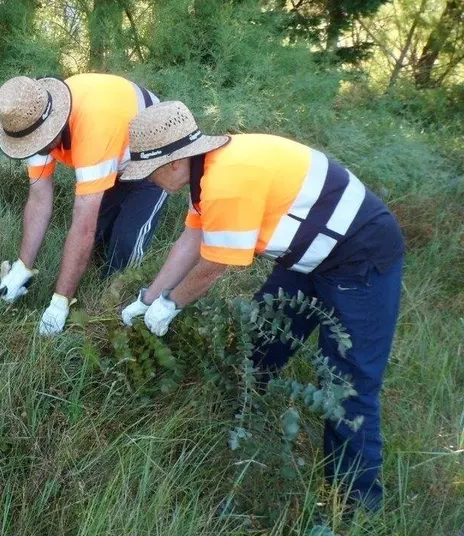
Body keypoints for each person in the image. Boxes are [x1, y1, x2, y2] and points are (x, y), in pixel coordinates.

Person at [119, 100, 404, 511]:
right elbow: (191, 241)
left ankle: (356, 506)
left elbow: (214, 265)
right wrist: (147, 298)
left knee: (347, 386)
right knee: (262, 338)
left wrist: (171, 305)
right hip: (308, 257)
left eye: (150, 170)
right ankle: (241, 415)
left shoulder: (227, 180)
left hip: (361, 256)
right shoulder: (206, 173)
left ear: (176, 160)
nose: (147, 180)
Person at [0, 74, 167, 335]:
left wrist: (59, 303)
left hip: (154, 157)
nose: (36, 149)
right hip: (114, 151)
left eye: (39, 143)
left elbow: (82, 227)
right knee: (96, 240)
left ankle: (114, 315)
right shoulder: (29, 123)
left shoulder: (92, 129)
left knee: (124, 247)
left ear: (55, 125)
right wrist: (23, 266)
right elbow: (39, 201)